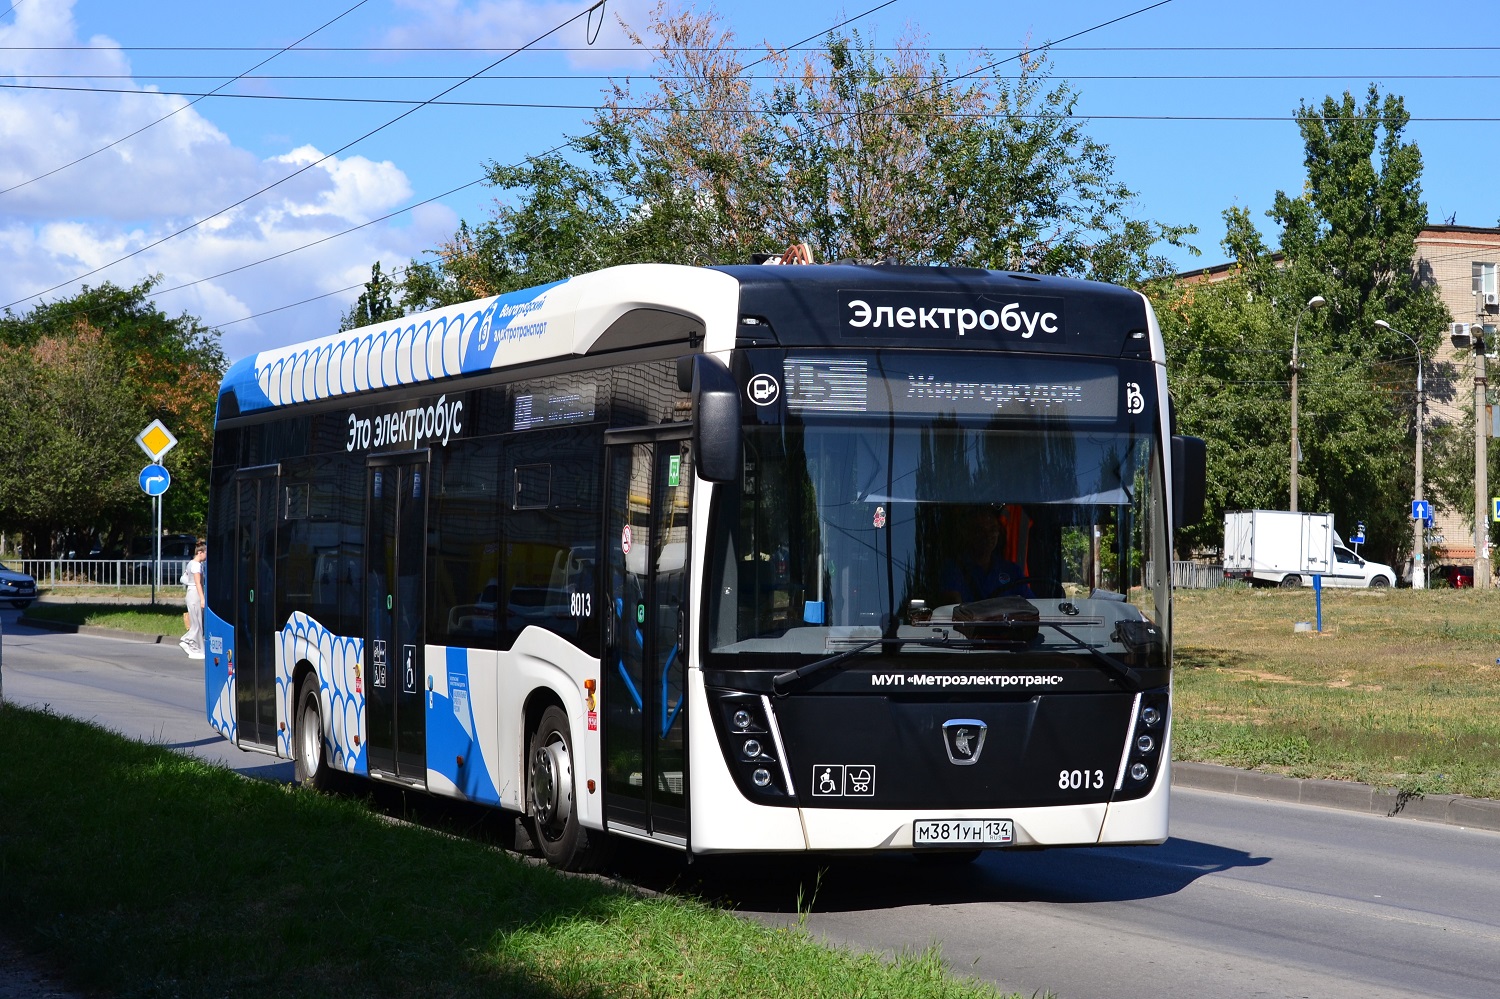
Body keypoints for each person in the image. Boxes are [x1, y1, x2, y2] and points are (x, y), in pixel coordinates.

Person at [939, 506, 1032, 603]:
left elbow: (1033, 607)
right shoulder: (953, 570)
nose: (987, 536)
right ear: (968, 533)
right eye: (980, 530)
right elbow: (953, 609)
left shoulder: (1012, 570)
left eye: (992, 529)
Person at [179, 540, 207, 659]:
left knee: (196, 621)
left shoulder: (191, 563)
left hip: (191, 592)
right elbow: (198, 583)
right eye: (206, 553)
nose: (206, 556)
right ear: (200, 552)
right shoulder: (196, 565)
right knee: (197, 622)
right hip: (195, 593)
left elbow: (185, 578)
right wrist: (202, 599)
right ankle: (189, 642)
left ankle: (194, 646)